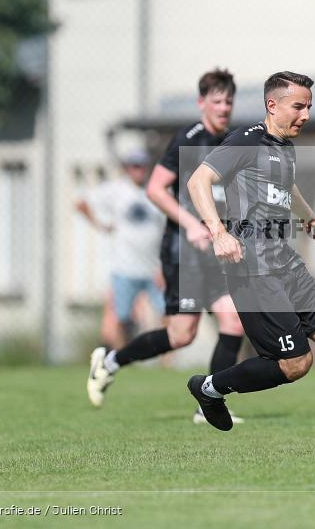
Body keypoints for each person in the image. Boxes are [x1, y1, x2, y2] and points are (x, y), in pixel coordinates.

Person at [185, 71, 315, 431]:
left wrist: (308, 218)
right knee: (296, 363)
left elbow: (284, 186)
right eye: (298, 107)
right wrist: (219, 233)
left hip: (287, 263)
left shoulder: (284, 146)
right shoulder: (245, 141)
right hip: (252, 270)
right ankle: (209, 388)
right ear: (272, 105)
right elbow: (199, 181)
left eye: (309, 107)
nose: (305, 115)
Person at [87, 69, 247, 426]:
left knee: (233, 321)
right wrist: (191, 224)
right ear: (201, 102)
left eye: (228, 102)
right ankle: (110, 361)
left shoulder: (232, 141)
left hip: (214, 252)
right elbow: (156, 189)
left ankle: (208, 405)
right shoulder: (188, 139)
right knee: (181, 335)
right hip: (183, 253)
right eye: (216, 101)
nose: (223, 108)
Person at [75, 149, 165, 351]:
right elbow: (81, 203)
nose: (139, 170)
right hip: (125, 267)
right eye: (134, 166)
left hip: (154, 269)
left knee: (169, 315)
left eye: (142, 165)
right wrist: (100, 225)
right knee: (120, 317)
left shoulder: (156, 190)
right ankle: (118, 358)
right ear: (126, 168)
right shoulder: (115, 190)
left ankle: (167, 363)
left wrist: (164, 265)